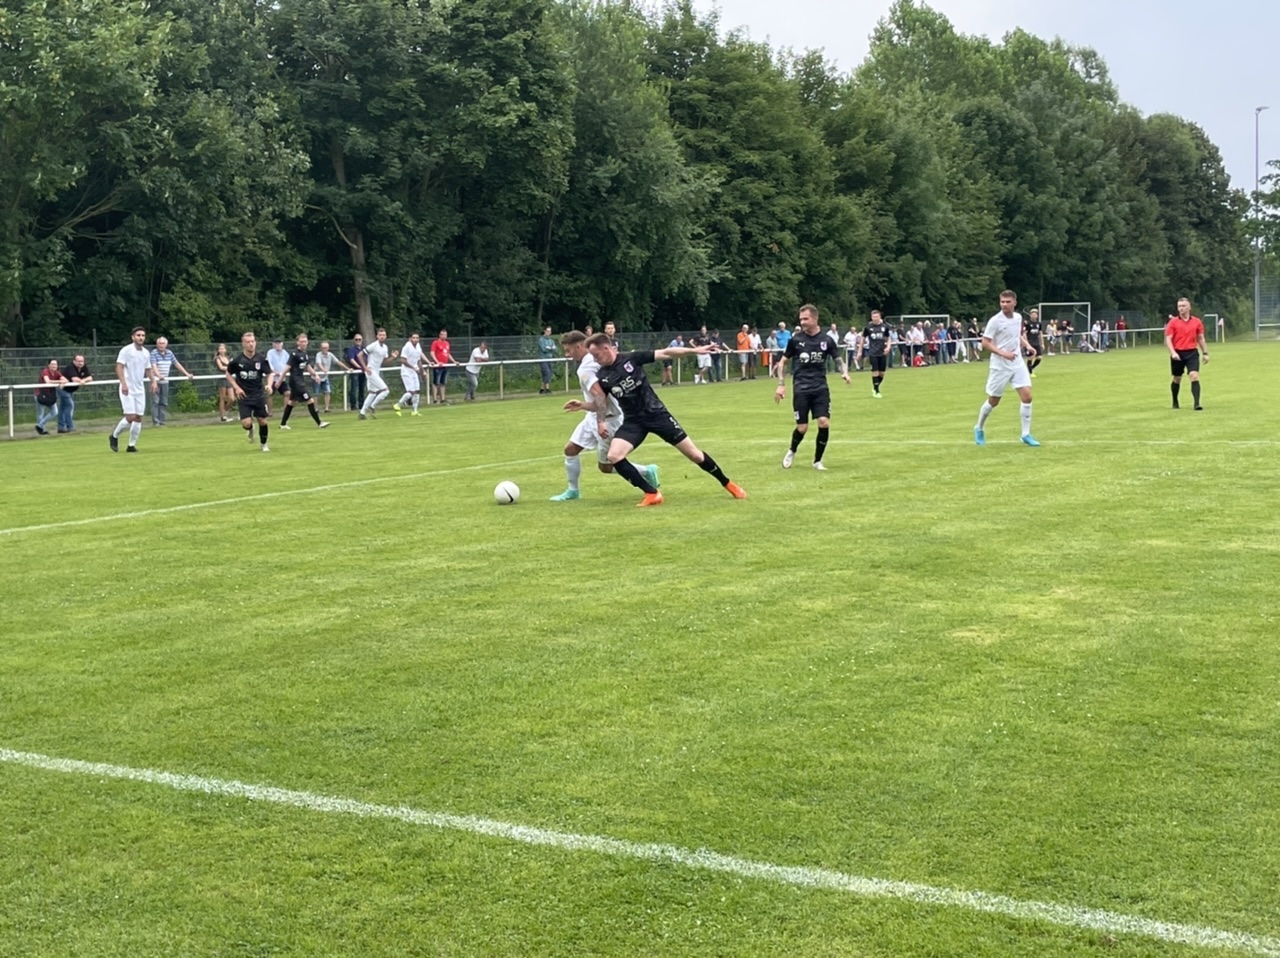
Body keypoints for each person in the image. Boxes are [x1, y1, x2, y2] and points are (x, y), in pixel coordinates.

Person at [584, 333, 747, 506]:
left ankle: (728, 483)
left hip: (657, 415)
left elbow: (667, 352)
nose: (595, 360)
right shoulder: (602, 375)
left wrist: (695, 350)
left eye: (596, 355)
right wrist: (593, 415)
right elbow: (600, 403)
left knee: (694, 454)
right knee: (614, 456)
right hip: (633, 422)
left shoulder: (632, 359)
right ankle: (652, 493)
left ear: (606, 348)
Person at [550, 330, 659, 501]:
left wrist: (597, 418)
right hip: (592, 416)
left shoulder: (586, 368)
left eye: (568, 350)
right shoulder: (597, 360)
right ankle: (573, 491)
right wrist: (584, 406)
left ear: (579, 346)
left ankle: (647, 471)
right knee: (570, 449)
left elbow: (600, 397)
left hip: (608, 419)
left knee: (606, 467)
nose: (567, 355)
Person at [775, 303, 850, 470]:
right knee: (802, 428)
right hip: (801, 388)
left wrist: (844, 372)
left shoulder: (826, 340)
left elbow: (839, 360)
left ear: (815, 319)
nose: (802, 322)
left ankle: (817, 461)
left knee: (824, 422)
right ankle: (792, 450)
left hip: (820, 388)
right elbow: (782, 363)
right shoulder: (796, 340)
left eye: (805, 319)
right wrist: (781, 384)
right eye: (801, 319)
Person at [974, 290, 1039, 447]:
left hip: (1017, 363)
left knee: (1027, 397)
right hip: (1000, 366)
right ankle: (979, 427)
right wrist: (1003, 353)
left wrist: (1027, 346)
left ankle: (1025, 434)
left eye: (1008, 302)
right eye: (1002, 302)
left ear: (1014, 303)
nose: (1004, 305)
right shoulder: (995, 321)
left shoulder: (1018, 318)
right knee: (994, 400)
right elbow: (985, 343)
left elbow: (1017, 335)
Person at [110, 326, 158, 452]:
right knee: (130, 416)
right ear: (133, 337)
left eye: (143, 335)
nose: (141, 337)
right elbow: (119, 367)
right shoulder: (126, 350)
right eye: (138, 335)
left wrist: (153, 381)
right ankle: (114, 436)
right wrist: (123, 383)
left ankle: (131, 445)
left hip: (139, 389)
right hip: (128, 388)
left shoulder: (146, 353)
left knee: (138, 417)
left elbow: (148, 369)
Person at [225, 330, 273, 452]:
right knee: (246, 424)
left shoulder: (261, 359)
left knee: (262, 421)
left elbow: (270, 373)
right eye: (248, 342)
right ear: (243, 344)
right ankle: (251, 428)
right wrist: (236, 388)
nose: (251, 344)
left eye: (252, 341)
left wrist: (269, 385)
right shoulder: (237, 360)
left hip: (258, 395)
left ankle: (264, 444)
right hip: (244, 396)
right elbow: (228, 374)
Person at [278, 333, 330, 430]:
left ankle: (283, 424)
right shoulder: (294, 354)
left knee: (291, 402)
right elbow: (287, 368)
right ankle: (319, 423)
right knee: (310, 400)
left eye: (305, 341)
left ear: (307, 342)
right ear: (297, 342)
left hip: (300, 381)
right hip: (296, 382)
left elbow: (308, 367)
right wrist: (280, 380)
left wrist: (315, 375)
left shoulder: (305, 355)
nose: (303, 343)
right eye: (301, 341)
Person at [1165, 297, 1209, 410]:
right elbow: (1168, 339)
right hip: (1178, 353)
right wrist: (1173, 352)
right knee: (1177, 378)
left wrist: (1205, 353)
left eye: (1183, 306)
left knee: (1194, 375)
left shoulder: (1196, 322)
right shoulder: (1173, 322)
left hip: (1192, 353)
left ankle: (1197, 404)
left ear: (1189, 307)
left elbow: (1200, 338)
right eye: (1179, 306)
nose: (1181, 308)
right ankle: (1175, 401)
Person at [149, 337, 194, 426]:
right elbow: (153, 366)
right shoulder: (154, 353)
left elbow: (177, 364)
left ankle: (162, 421)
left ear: (166, 345)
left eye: (163, 343)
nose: (161, 345)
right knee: (155, 402)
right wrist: (158, 375)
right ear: (157, 345)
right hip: (155, 381)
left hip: (165, 381)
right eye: (160, 343)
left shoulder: (169, 353)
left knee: (164, 402)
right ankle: (156, 422)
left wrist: (187, 374)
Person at [359, 327, 398, 418]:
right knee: (386, 390)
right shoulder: (373, 345)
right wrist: (365, 368)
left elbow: (384, 362)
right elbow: (360, 355)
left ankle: (362, 413)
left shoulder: (385, 348)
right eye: (380, 335)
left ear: (386, 336)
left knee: (372, 393)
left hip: (376, 371)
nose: (382, 337)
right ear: (377, 336)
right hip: (371, 371)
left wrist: (392, 357)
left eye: (383, 335)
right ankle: (372, 406)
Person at [857, 310, 891, 399]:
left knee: (882, 373)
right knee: (875, 371)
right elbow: (862, 339)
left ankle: (875, 387)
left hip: (882, 352)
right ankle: (876, 391)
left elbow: (888, 338)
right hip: (873, 352)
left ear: (880, 317)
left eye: (876, 317)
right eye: (873, 317)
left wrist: (888, 347)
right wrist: (860, 351)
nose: (875, 319)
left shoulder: (884, 327)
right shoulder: (868, 327)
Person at [393, 332, 425, 415]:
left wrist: (422, 371)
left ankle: (414, 411)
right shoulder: (407, 347)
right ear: (410, 338)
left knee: (417, 391)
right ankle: (398, 404)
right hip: (406, 371)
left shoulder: (418, 346)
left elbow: (418, 360)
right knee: (411, 391)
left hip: (414, 371)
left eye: (417, 338)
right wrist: (413, 367)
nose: (415, 339)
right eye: (413, 338)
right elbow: (403, 360)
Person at [58, 354, 92, 433]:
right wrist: (81, 380)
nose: (81, 363)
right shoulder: (70, 367)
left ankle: (61, 427)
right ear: (74, 361)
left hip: (70, 390)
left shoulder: (84, 367)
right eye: (78, 361)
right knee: (70, 406)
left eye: (82, 361)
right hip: (63, 389)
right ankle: (70, 426)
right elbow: (74, 379)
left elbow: (90, 378)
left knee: (63, 408)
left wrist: (83, 380)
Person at [312, 340, 348, 414]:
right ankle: (316, 409)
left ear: (328, 348)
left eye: (326, 347)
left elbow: (338, 362)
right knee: (316, 393)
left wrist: (347, 368)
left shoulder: (330, 355)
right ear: (321, 348)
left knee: (328, 392)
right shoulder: (318, 354)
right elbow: (318, 363)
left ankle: (326, 408)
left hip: (325, 377)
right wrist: (323, 370)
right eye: (323, 347)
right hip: (317, 377)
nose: (324, 349)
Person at [34, 359, 66, 435]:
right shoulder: (45, 371)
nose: (54, 366)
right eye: (52, 364)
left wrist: (63, 382)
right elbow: (47, 381)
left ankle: (40, 425)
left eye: (55, 364)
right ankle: (42, 430)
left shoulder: (57, 373)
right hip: (40, 394)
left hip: (50, 395)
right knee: (40, 413)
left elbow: (65, 380)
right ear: (48, 365)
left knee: (55, 411)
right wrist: (60, 382)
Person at [428, 329, 454, 405]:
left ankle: (443, 399)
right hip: (438, 366)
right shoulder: (435, 342)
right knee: (436, 382)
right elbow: (432, 353)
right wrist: (437, 362)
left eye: (445, 335)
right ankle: (435, 400)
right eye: (442, 334)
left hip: (445, 365)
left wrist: (454, 361)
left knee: (443, 382)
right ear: (439, 335)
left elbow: (448, 354)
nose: (444, 336)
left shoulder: (447, 343)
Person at [265, 337, 290, 415]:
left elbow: (288, 364)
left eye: (279, 343)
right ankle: (270, 412)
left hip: (282, 378)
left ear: (282, 344)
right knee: (270, 394)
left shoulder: (285, 353)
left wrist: (283, 373)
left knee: (287, 393)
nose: (278, 345)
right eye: (276, 343)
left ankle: (285, 412)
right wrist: (274, 372)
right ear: (273, 344)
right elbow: (269, 363)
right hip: (273, 378)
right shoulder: (270, 352)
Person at [343, 334, 367, 410]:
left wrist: (365, 367)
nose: (358, 341)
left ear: (362, 340)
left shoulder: (364, 349)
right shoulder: (351, 349)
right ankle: (353, 405)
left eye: (359, 339)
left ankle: (361, 405)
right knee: (354, 388)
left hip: (363, 372)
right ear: (354, 340)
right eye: (356, 339)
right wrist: (359, 367)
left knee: (362, 388)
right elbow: (352, 360)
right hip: (355, 371)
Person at [214, 344, 237, 421]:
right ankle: (222, 416)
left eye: (223, 348)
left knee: (232, 398)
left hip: (229, 378)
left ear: (225, 350)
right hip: (222, 379)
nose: (221, 350)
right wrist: (230, 368)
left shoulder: (228, 358)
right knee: (223, 398)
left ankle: (224, 411)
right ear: (218, 350)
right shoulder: (217, 358)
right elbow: (221, 367)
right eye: (220, 349)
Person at [1023, 308, 1045, 378]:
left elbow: (1040, 334)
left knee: (1039, 357)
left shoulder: (1039, 323)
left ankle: (1031, 367)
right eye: (1032, 314)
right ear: (1030, 315)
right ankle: (1030, 373)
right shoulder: (1027, 323)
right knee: (1031, 357)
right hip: (1030, 342)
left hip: (1036, 342)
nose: (1034, 315)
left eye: (1035, 314)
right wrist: (1027, 343)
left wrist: (1042, 343)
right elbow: (1024, 333)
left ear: (1037, 315)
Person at [537, 325, 557, 394]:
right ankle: (547, 388)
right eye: (547, 331)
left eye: (550, 331)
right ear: (544, 331)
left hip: (550, 358)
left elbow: (554, 349)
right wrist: (550, 349)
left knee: (549, 373)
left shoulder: (551, 340)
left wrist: (550, 349)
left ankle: (542, 388)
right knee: (547, 372)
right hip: (543, 359)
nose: (549, 332)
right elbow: (543, 349)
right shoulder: (541, 340)